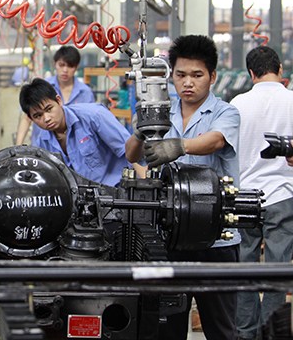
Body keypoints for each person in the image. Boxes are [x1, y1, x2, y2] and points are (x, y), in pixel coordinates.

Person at [125, 34, 240, 340]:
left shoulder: (226, 112)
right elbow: (132, 155)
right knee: (166, 328)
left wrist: (179, 146)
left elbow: (215, 140)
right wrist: (141, 128)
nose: (188, 82)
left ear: (212, 76)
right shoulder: (160, 110)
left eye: (197, 75)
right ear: (171, 76)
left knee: (221, 328)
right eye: (181, 75)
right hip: (170, 238)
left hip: (216, 242)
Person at [230, 46, 293, 340]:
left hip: (244, 197)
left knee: (244, 270)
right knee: (278, 271)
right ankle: (272, 333)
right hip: (283, 195)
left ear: (251, 73)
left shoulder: (238, 104)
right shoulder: (292, 100)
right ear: (280, 70)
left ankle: (245, 334)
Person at [19, 78, 131, 186]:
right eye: (38, 116)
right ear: (31, 118)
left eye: (49, 109)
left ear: (58, 101)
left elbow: (130, 152)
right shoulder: (43, 144)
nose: (47, 118)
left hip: (117, 192)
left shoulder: (94, 116)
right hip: (83, 200)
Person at [16, 46, 94, 145]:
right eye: (61, 65)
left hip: (75, 147)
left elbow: (88, 122)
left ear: (76, 67)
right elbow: (26, 118)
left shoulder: (85, 92)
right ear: (55, 64)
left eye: (70, 66)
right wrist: (18, 147)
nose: (65, 70)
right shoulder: (43, 87)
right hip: (42, 148)